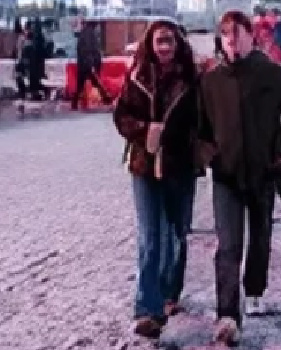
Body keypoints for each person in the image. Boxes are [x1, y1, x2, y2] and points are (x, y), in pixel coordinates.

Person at [196, 11, 281, 345]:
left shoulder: (273, 74)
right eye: (226, 33)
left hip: (263, 172)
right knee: (228, 245)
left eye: (237, 32)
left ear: (250, 36)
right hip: (226, 175)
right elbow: (200, 130)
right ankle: (227, 314)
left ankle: (255, 287)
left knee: (259, 237)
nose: (231, 39)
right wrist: (210, 156)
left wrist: (280, 150)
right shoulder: (211, 81)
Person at [112, 20, 200, 340]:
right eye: (159, 42)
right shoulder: (137, 77)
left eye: (169, 43)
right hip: (144, 165)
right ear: (150, 44)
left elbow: (201, 121)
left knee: (176, 234)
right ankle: (147, 308)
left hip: (179, 166)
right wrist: (144, 130)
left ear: (177, 45)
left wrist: (182, 141)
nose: (164, 48)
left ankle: (169, 292)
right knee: (150, 236)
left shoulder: (192, 79)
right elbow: (121, 116)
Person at [72, 21, 112, 110]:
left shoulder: (85, 33)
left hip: (84, 64)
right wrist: (92, 65)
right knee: (96, 83)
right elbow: (88, 51)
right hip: (88, 65)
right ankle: (106, 99)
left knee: (81, 85)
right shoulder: (89, 34)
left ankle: (74, 103)